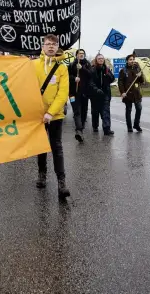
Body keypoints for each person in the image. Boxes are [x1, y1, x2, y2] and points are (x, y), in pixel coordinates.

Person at [33, 34, 70, 198]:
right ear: (43, 46)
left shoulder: (62, 68)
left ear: (57, 47)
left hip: (55, 116)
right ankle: (42, 174)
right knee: (40, 147)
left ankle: (61, 182)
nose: (50, 47)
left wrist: (50, 112)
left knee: (57, 147)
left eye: (53, 44)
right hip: (37, 115)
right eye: (47, 44)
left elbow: (63, 93)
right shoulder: (33, 65)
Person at [68, 48, 92, 143]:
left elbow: (91, 74)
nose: (81, 55)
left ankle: (80, 129)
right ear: (76, 55)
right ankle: (79, 130)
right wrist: (74, 78)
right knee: (76, 111)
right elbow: (67, 76)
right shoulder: (71, 64)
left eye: (82, 53)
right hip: (73, 93)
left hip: (84, 93)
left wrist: (82, 69)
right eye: (79, 53)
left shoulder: (87, 64)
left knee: (84, 112)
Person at [89, 54, 115, 136]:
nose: (101, 60)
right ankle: (95, 126)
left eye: (102, 58)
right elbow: (90, 82)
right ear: (96, 60)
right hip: (95, 94)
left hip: (105, 94)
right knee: (95, 111)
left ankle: (107, 129)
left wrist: (108, 75)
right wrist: (96, 90)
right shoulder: (92, 69)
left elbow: (112, 79)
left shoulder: (106, 69)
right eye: (99, 58)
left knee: (106, 111)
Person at [118, 53, 144, 133]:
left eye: (133, 59)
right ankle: (129, 127)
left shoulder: (137, 68)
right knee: (128, 110)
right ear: (127, 61)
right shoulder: (123, 70)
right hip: (127, 93)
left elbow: (142, 81)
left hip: (136, 92)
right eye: (130, 59)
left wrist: (140, 76)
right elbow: (120, 82)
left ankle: (136, 124)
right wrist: (122, 92)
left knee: (139, 108)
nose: (132, 61)